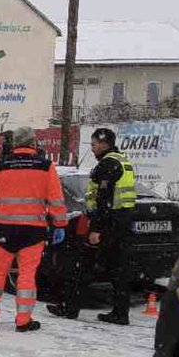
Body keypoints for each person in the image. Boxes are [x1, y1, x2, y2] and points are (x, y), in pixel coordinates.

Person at [0, 126, 68, 332]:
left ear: (15, 143)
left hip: (3, 230)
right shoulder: (45, 166)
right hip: (33, 232)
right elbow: (56, 199)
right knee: (26, 275)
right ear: (34, 143)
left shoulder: (0, 166)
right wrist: (60, 225)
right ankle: (23, 320)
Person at [48, 127, 137, 325]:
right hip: (121, 222)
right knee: (118, 270)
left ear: (104, 143)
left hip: (107, 223)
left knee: (82, 266)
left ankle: (70, 308)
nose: (93, 148)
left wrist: (96, 229)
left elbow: (103, 200)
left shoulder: (108, 165)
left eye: (94, 144)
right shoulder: (123, 160)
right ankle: (120, 313)